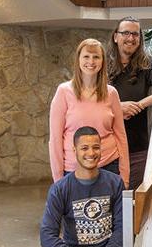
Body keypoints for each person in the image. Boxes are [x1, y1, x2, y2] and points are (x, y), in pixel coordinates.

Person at [37, 126, 124, 247]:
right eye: (84, 148)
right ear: (74, 150)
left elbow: (122, 229)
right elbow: (47, 236)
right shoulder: (60, 189)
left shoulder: (115, 183)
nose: (91, 153)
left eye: (96, 147)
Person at [108, 17, 152, 189]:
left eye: (135, 34)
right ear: (116, 37)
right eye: (126, 33)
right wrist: (119, 108)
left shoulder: (146, 63)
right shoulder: (102, 63)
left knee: (132, 201)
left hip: (137, 149)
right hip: (107, 147)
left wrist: (140, 104)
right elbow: (88, 99)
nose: (131, 38)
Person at [49, 38, 129, 189]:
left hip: (108, 166)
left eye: (96, 57)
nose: (91, 61)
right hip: (73, 170)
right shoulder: (64, 92)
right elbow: (55, 140)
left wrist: (124, 176)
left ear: (102, 61)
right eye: (86, 56)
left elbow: (121, 136)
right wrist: (58, 180)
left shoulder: (111, 93)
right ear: (78, 60)